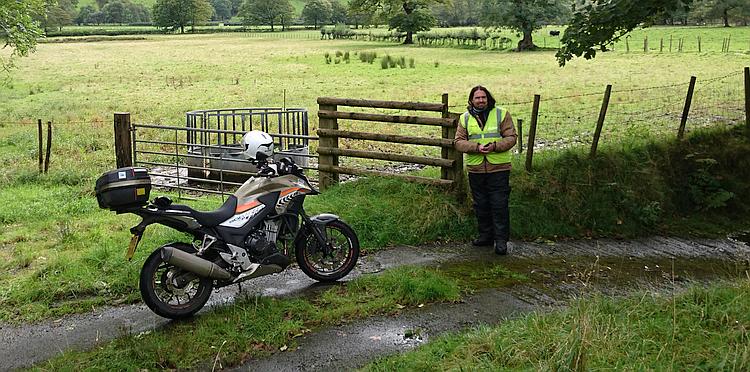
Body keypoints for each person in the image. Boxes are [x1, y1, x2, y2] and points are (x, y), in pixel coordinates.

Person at [454, 86, 517, 255]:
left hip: (499, 167)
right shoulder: (465, 118)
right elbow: (459, 142)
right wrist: (476, 147)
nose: (481, 100)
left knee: (499, 204)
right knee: (481, 205)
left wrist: (495, 147)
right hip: (476, 169)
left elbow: (511, 138)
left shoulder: (501, 114)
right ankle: (485, 237)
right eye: (477, 98)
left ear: (488, 98)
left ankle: (501, 241)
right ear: (471, 100)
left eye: (483, 97)